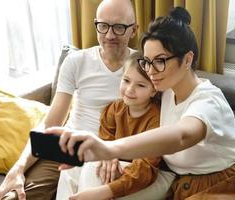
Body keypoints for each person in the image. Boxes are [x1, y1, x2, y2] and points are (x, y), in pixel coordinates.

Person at [0, 0, 235, 199]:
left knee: (98, 179)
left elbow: (186, 133)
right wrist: (19, 166)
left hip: (223, 184)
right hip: (163, 175)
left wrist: (110, 149)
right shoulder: (164, 88)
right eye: (147, 62)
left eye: (159, 62)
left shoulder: (191, 95)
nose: (150, 71)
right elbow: (214, 129)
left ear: (188, 59)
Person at [0, 0, 137, 200]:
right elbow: (50, 122)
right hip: (67, 148)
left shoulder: (143, 67)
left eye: (119, 27)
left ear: (134, 30)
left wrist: (115, 151)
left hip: (111, 153)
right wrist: (17, 168)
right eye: (103, 26)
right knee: (15, 197)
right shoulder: (76, 61)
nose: (109, 35)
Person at [57, 52, 162, 200]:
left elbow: (146, 169)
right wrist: (107, 155)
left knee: (93, 168)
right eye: (126, 80)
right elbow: (106, 143)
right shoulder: (113, 110)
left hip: (143, 174)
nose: (130, 89)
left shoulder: (156, 119)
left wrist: (108, 185)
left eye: (140, 85)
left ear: (153, 90)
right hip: (118, 166)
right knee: (73, 164)